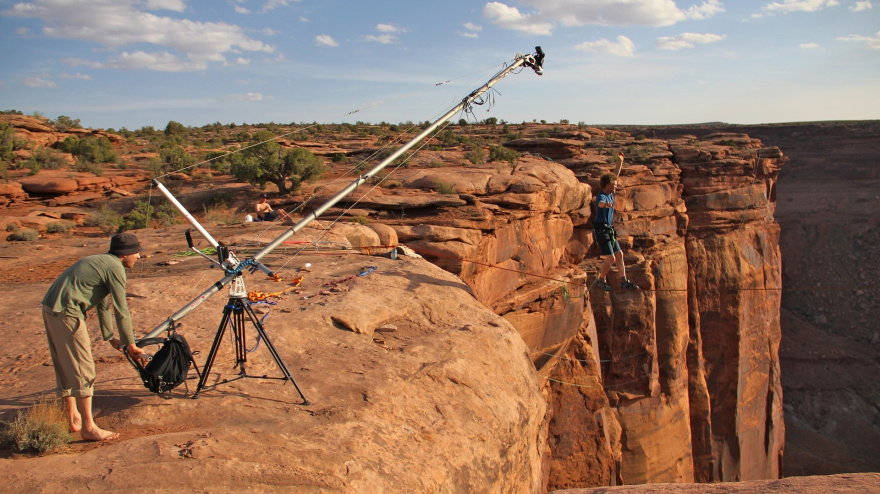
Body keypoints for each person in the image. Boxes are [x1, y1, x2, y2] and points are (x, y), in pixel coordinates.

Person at [41, 232, 147, 441]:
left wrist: (110, 337)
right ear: (125, 254)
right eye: (136, 253)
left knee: (64, 363)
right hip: (67, 312)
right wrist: (131, 344)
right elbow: (121, 309)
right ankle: (89, 428)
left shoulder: (100, 261)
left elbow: (103, 303)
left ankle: (73, 416)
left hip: (49, 307)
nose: (138, 257)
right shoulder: (115, 267)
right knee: (83, 366)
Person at [592, 153, 639, 291]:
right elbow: (599, 203)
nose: (616, 186)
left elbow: (615, 176)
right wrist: (605, 205)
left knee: (620, 255)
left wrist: (620, 162)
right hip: (601, 231)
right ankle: (601, 280)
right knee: (611, 258)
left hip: (609, 230)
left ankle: (624, 281)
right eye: (614, 185)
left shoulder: (611, 193)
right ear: (607, 185)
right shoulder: (602, 196)